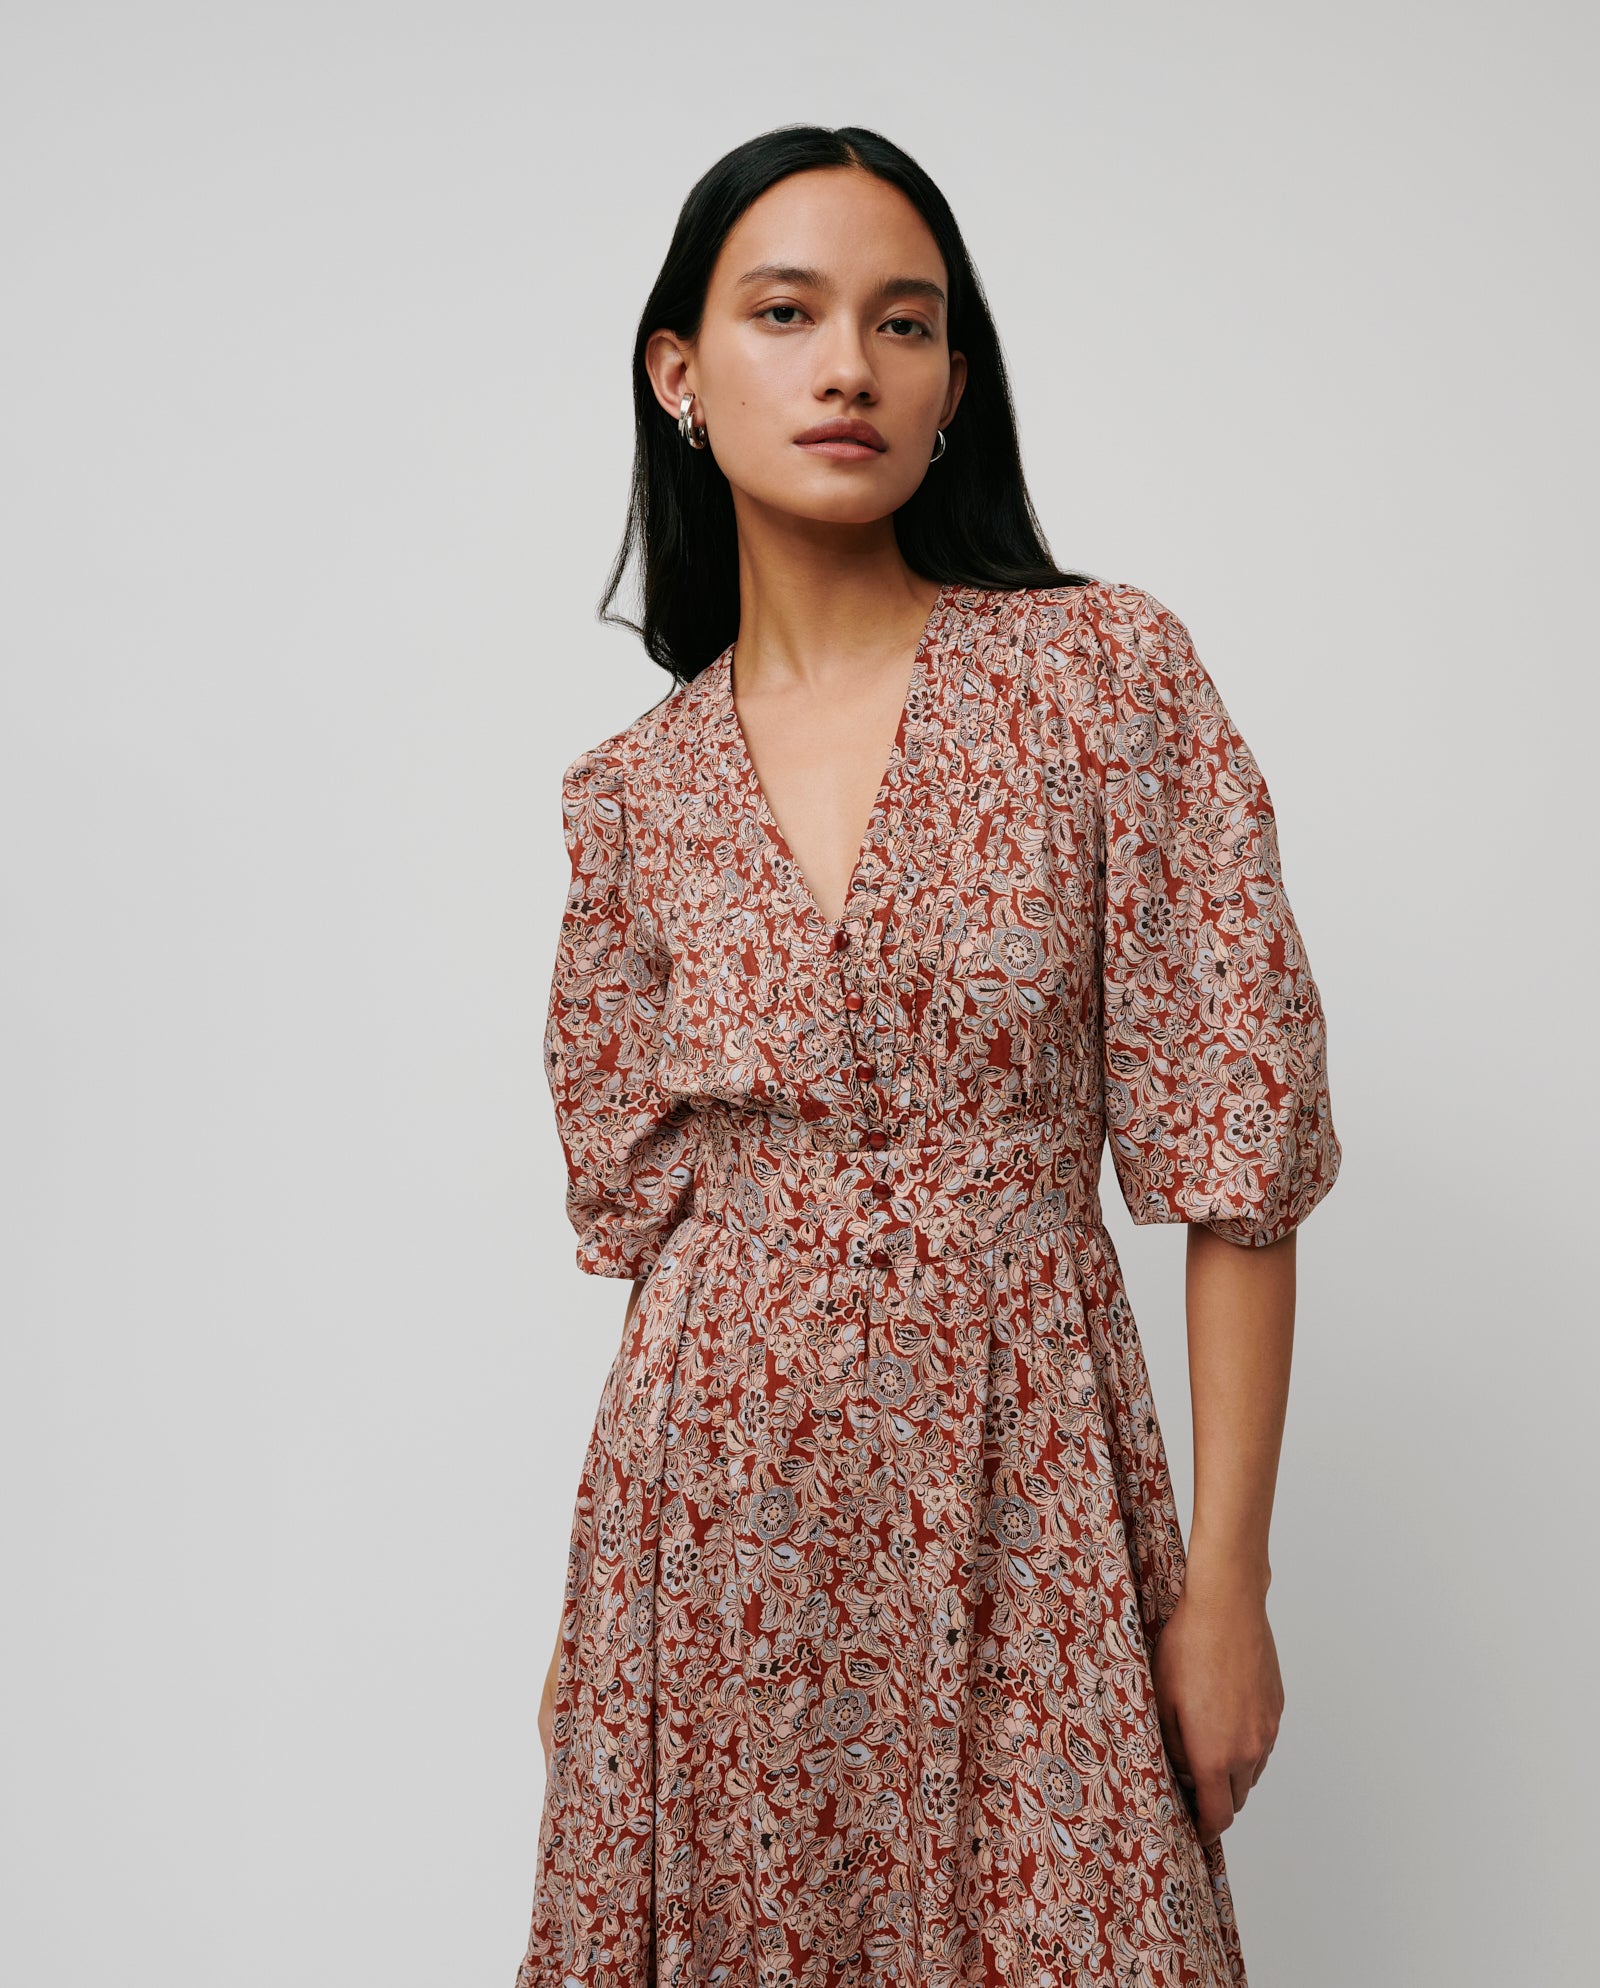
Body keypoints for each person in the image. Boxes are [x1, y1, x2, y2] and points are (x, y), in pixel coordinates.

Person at [514, 123, 1341, 1988]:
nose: (845, 369)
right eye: (786, 313)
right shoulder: (630, 801)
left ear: (954, 382)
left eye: (905, 325)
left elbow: (1238, 1150)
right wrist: (599, 1611)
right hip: (710, 1524)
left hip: (1027, 1482)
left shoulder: (1101, 680)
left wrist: (1228, 1588)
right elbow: (657, 1236)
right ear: (679, 370)